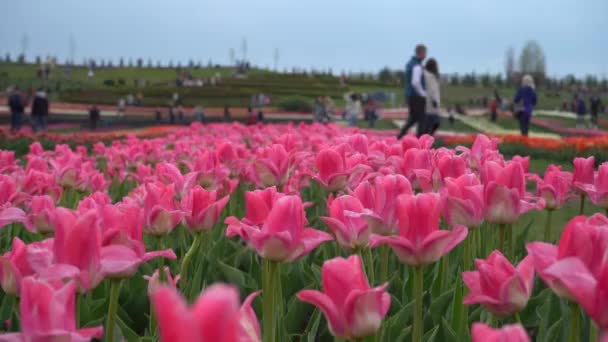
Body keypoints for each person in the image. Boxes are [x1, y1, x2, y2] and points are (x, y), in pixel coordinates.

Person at [398, 44, 428, 138]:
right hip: (417, 96)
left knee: (414, 118)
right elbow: (415, 82)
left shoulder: (410, 63)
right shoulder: (417, 65)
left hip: (411, 95)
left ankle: (400, 136)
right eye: (425, 53)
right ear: (421, 53)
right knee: (421, 119)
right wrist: (423, 93)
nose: (425, 55)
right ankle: (420, 141)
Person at [422, 58, 441, 135]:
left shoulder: (426, 75)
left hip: (428, 103)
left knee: (430, 124)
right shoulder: (431, 76)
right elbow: (432, 90)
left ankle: (427, 138)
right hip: (432, 103)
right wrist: (435, 100)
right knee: (434, 123)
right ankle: (427, 139)